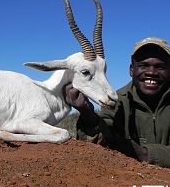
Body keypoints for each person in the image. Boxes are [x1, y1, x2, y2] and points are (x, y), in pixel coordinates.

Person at [66, 37, 170, 168]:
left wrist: (144, 153)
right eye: (143, 65)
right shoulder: (118, 100)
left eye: (160, 67)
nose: (151, 72)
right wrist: (88, 114)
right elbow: (102, 141)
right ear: (132, 70)